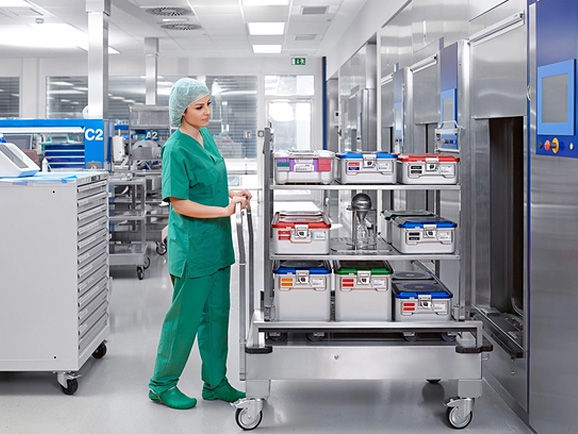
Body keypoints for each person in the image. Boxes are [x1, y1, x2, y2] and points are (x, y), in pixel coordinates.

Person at [148, 78, 251, 409]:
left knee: (218, 314)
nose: (208, 112)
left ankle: (215, 382)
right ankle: (162, 385)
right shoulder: (175, 149)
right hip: (193, 247)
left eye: (209, 104)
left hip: (217, 244)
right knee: (185, 319)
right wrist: (223, 209)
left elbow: (209, 185)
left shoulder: (206, 138)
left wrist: (233, 195)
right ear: (181, 111)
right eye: (199, 106)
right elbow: (180, 202)